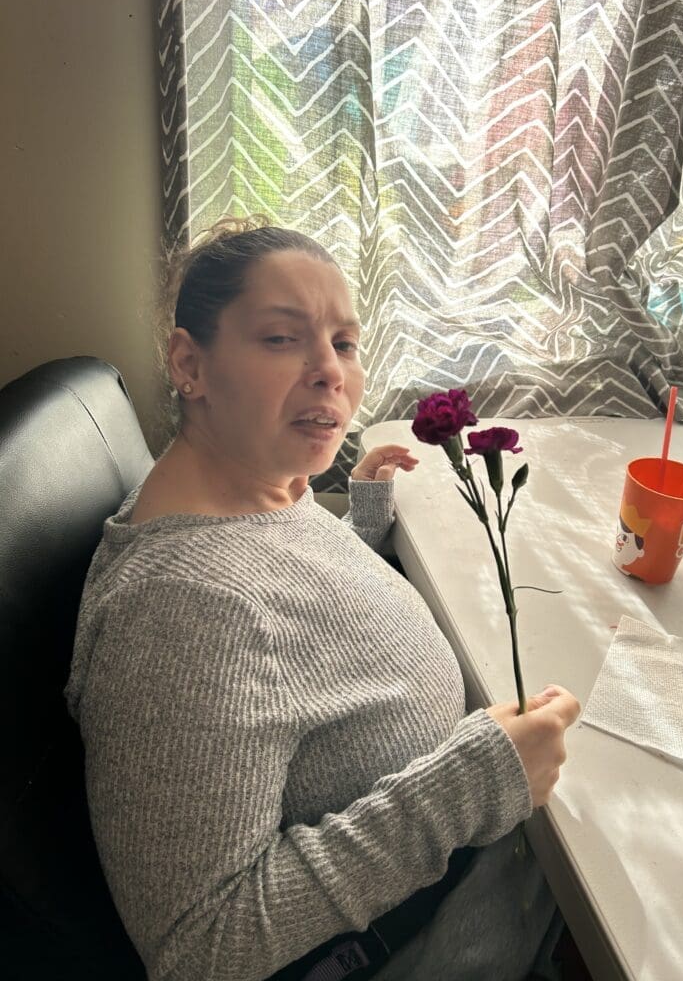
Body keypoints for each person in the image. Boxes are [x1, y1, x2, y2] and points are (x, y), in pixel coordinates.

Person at [64, 218, 581, 981]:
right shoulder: (180, 613)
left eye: (344, 343)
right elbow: (200, 947)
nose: (329, 371)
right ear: (190, 365)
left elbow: (302, 626)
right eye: (281, 339)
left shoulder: (256, 488)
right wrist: (475, 783)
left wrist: (361, 517)